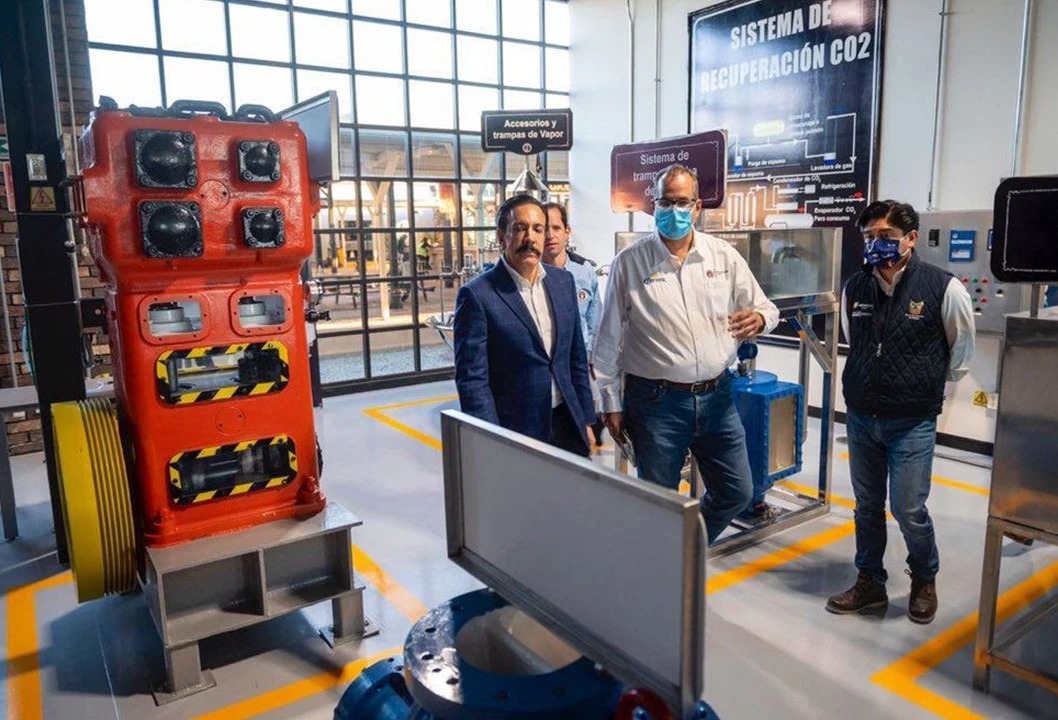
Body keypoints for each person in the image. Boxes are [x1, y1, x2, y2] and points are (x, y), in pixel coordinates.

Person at [593, 163, 779, 542]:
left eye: (682, 202)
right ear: (654, 205)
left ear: (697, 207)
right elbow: (607, 339)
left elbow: (766, 307)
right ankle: (662, 567)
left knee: (736, 491)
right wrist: (609, 402)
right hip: (656, 404)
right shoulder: (630, 263)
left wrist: (760, 318)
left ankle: (685, 551)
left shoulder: (722, 256)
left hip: (718, 398)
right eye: (665, 202)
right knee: (658, 503)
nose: (673, 210)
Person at [826, 200, 975, 624]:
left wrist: (920, 387)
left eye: (886, 237)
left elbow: (961, 352)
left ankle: (924, 578)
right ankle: (870, 580)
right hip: (862, 417)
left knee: (908, 509)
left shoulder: (943, 288)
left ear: (910, 238)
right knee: (866, 506)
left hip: (911, 421)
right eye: (869, 237)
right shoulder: (856, 286)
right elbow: (855, 341)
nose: (876, 244)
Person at [453, 194, 596, 456]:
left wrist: (586, 418)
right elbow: (473, 381)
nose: (530, 238)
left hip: (567, 422)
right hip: (515, 430)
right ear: (501, 237)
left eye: (538, 229)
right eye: (520, 228)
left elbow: (575, 358)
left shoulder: (563, 282)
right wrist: (491, 439)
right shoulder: (477, 295)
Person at [542, 202, 605, 447]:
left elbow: (595, 320)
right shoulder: (531, 275)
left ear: (567, 231)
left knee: (584, 431)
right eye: (544, 228)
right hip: (549, 365)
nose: (550, 235)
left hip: (580, 364)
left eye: (556, 228)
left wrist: (593, 360)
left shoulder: (584, 271)